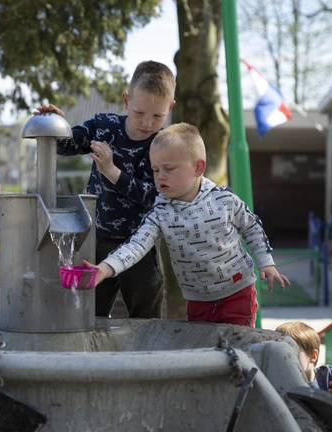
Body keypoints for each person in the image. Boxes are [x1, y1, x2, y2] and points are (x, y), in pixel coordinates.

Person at [87, 123, 289, 327]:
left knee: (237, 346)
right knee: (202, 351)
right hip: (197, 300)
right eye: (155, 170)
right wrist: (105, 268)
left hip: (237, 292)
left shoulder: (224, 200)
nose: (160, 176)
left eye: (169, 168)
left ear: (198, 167)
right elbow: (136, 245)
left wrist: (266, 263)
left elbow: (252, 227)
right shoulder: (160, 212)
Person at [35, 60, 176, 319]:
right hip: (97, 243)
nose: (147, 123)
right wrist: (54, 124)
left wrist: (112, 172)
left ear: (170, 108)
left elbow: (155, 198)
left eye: (157, 116)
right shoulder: (104, 127)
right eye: (139, 113)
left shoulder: (164, 144)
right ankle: (91, 360)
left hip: (140, 247)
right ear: (126, 100)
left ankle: (147, 360)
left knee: (147, 319)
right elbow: (66, 145)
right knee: (88, 314)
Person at [276, 321, 332, 406]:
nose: (284, 359)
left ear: (313, 357)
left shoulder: (328, 377)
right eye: (279, 354)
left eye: (291, 354)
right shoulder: (279, 379)